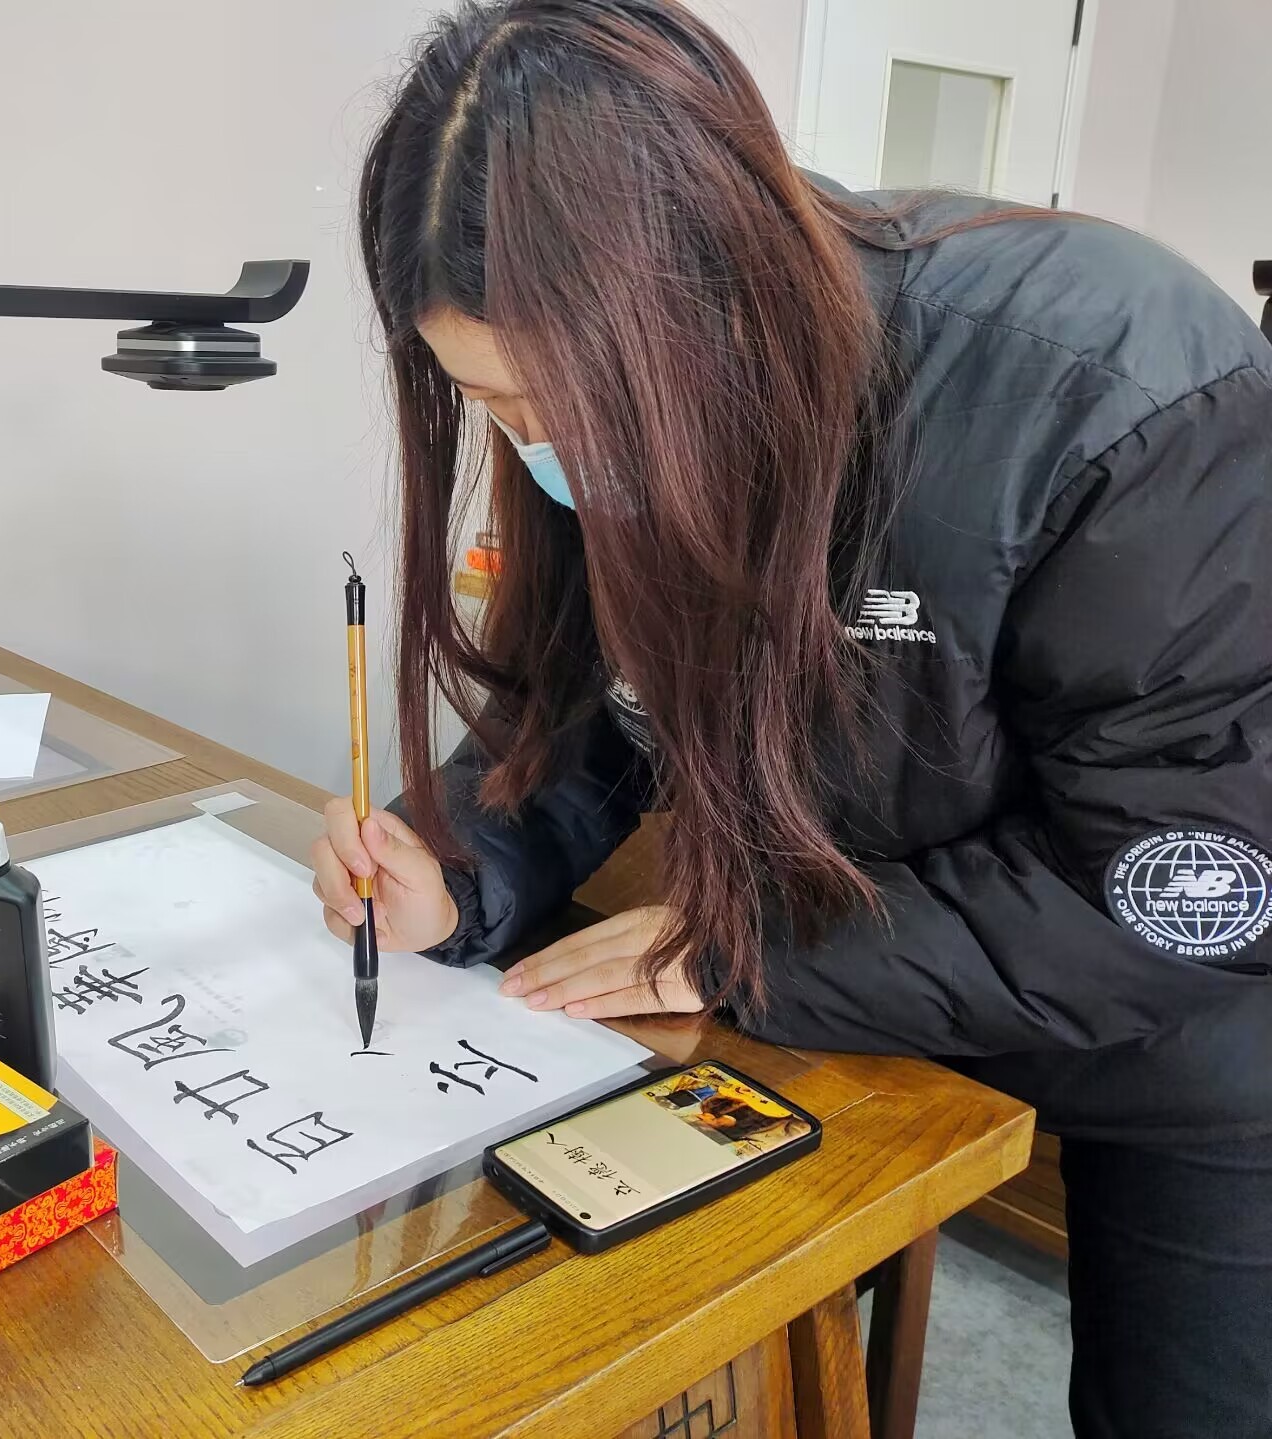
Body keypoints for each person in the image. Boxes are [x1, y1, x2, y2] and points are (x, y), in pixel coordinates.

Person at [307, 3, 1272, 1434]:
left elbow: (1182, 888)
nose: (550, 450)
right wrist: (458, 870)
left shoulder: (1121, 392)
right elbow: (590, 707)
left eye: (575, 405)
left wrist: (746, 950)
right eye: (498, 403)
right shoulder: (598, 417)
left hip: (1182, 1034)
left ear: (714, 282)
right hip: (859, 981)